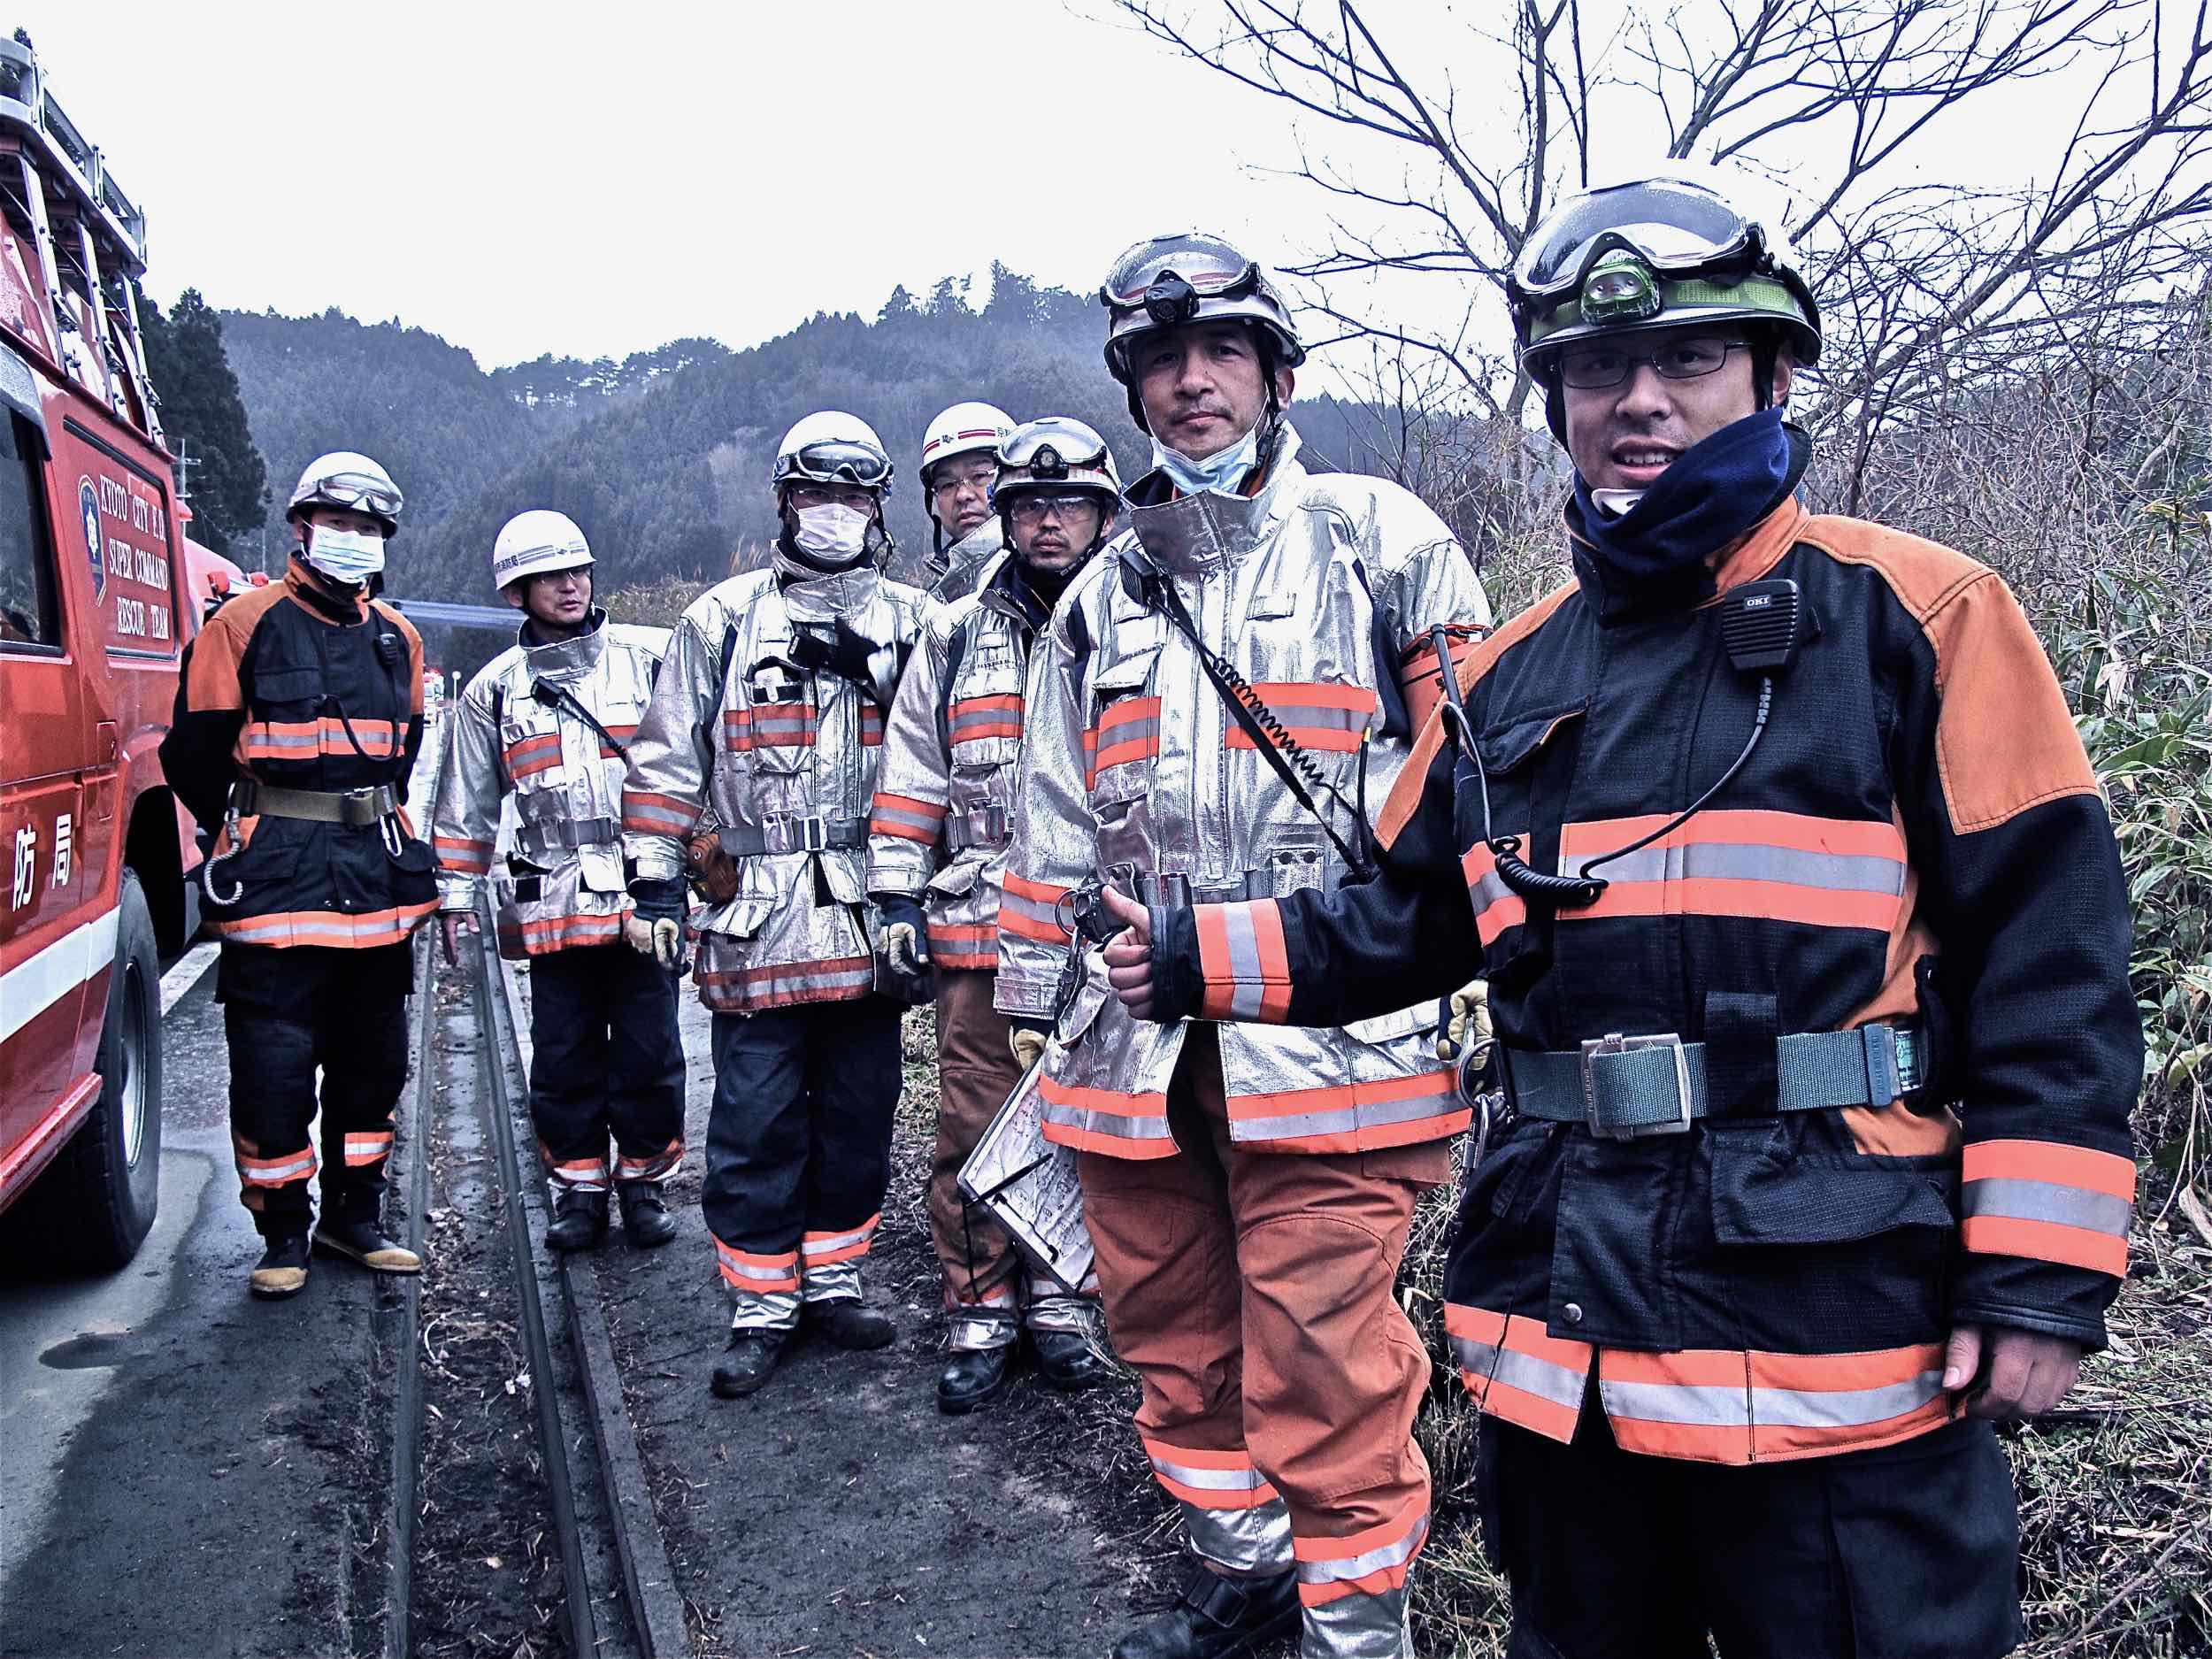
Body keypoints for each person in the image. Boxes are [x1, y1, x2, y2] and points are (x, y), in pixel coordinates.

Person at [1099, 172, 2142, 1659]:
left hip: (1837, 1342)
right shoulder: (1512, 673)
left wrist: (2039, 1276)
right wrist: (1196, 958)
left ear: (1773, 374)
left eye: (1688, 362)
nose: (1637, 402)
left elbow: (2056, 965)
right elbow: (1399, 922)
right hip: (1567, 1335)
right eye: (1597, 372)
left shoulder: (1922, 617)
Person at [995, 234, 1492, 1659]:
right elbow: (1052, 811)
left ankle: (1355, 1630)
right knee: (1164, 1327)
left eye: (1221, 354)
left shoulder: (1380, 536)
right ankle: (1248, 1569)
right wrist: (1038, 994)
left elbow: (1466, 783)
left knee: (1325, 1349)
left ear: (1276, 375)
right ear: (1133, 390)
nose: (1192, 382)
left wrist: (1446, 964)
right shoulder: (1101, 594)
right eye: (1162, 361)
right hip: (1134, 1043)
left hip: (1330, 1036)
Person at [621, 411, 928, 1398]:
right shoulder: (719, 619)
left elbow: (950, 762)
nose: (832, 512)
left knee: (856, 1111)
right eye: (815, 493)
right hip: (754, 917)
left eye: (852, 495)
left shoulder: (914, 624)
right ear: (783, 501)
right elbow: (668, 759)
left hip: (869, 915)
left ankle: (832, 1279)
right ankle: (761, 1300)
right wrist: (655, 879)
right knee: (754, 1117)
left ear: (878, 507)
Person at [869, 416, 1123, 1414]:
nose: (1048, 522)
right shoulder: (954, 632)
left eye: (1068, 504)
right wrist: (894, 891)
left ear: (1105, 511)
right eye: (1029, 505)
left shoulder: (1145, 620)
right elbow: (910, 778)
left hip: (1105, 937)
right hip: (978, 928)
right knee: (972, 1123)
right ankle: (978, 1305)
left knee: (1091, 1125)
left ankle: (1062, 1298)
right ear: (1006, 517)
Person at [159, 452, 436, 1298]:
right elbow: (193, 754)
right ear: (302, 527)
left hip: (376, 884)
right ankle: (283, 1231)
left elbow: (404, 755)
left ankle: (355, 1218)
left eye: (368, 529)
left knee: (372, 1064)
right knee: (274, 1067)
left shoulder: (400, 639)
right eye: (339, 524)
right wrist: (256, 828)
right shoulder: (240, 626)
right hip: (276, 887)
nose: (354, 541)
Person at [431, 510, 684, 1251]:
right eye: (550, 575)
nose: (571, 585)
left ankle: (644, 1184)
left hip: (646, 899)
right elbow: (465, 804)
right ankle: (578, 1190)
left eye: (578, 570)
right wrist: (454, 897)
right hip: (553, 904)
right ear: (517, 592)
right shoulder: (494, 691)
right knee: (564, 1052)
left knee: (649, 1049)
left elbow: (703, 762)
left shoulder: (650, 660)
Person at [918, 399, 1016, 601]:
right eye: (947, 484)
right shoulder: (936, 602)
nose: (963, 495)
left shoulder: (1044, 578)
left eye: (979, 476)